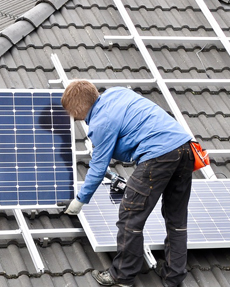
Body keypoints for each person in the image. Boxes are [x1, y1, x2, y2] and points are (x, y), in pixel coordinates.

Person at [61, 80, 194, 287]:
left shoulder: (100, 123)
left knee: (130, 216)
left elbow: (97, 167)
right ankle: (173, 275)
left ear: (78, 109)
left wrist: (80, 200)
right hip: (185, 148)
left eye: (72, 113)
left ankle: (121, 275)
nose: (73, 118)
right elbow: (127, 137)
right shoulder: (116, 93)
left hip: (157, 156)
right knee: (176, 218)